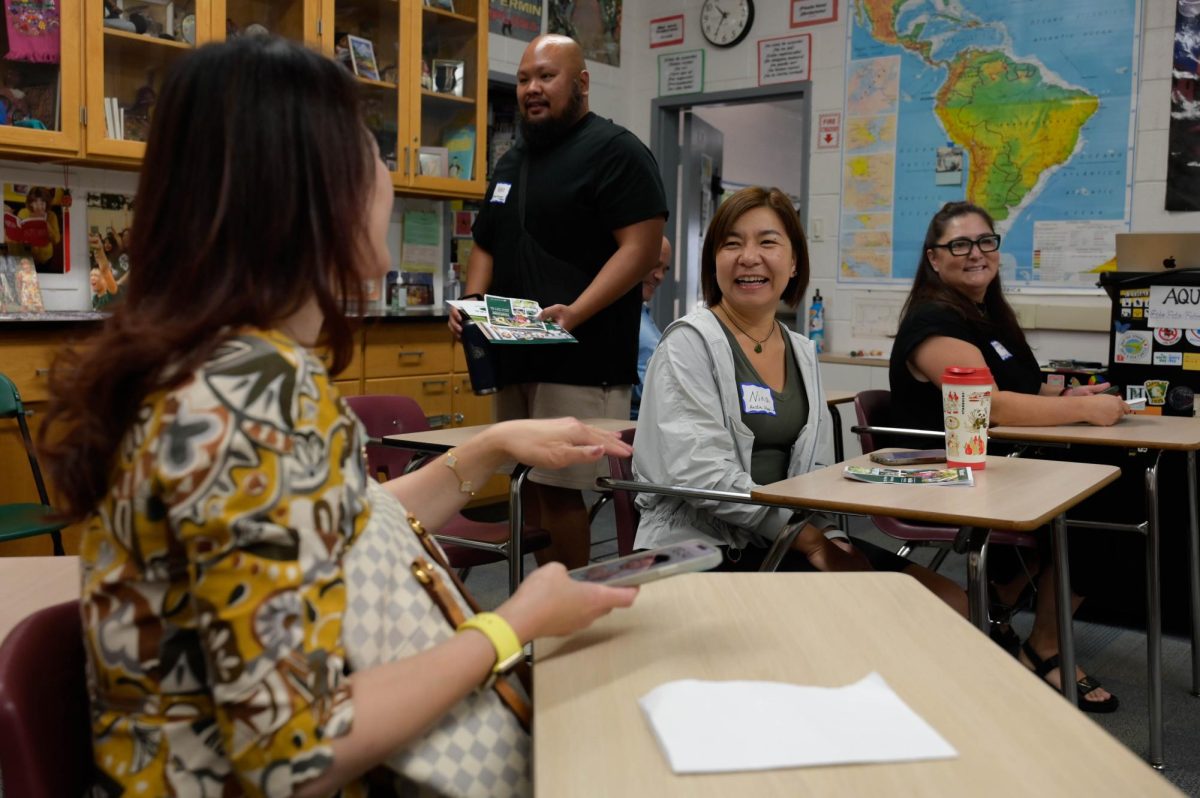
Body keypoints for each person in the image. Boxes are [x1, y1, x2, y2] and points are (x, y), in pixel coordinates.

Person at [40, 37, 638, 796]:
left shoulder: (212, 366)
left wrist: (490, 447)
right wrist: (510, 624)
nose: (383, 172)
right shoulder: (252, 400)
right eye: (366, 151)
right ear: (311, 191)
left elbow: (329, 524)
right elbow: (297, 752)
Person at [633, 187, 966, 615]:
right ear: (713, 261)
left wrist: (835, 540)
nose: (748, 257)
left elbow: (815, 476)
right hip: (707, 548)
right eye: (731, 243)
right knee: (894, 614)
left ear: (793, 263)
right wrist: (811, 544)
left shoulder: (801, 351)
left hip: (786, 537)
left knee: (952, 601)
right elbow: (701, 477)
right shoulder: (688, 343)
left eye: (767, 242)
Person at [889, 200, 1130, 712]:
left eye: (985, 241)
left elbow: (1024, 386)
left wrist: (1068, 399)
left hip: (997, 463)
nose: (975, 253)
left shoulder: (985, 316)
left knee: (1112, 482)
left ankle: (1002, 593)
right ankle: (1044, 647)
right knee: (1109, 501)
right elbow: (988, 407)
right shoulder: (934, 322)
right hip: (947, 474)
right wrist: (1084, 417)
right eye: (959, 244)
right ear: (934, 258)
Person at [449, 34, 667, 568]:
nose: (532, 89)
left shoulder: (616, 152)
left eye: (546, 76)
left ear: (582, 83)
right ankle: (544, 614)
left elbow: (640, 250)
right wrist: (472, 305)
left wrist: (578, 310)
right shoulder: (511, 161)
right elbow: (485, 243)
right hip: (516, 354)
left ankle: (570, 626)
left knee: (564, 492)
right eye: (524, 79)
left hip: (583, 358)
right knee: (530, 488)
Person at [631, 235, 671, 419]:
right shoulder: (616, 318)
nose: (660, 276)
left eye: (665, 269)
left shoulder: (644, 317)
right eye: (655, 265)